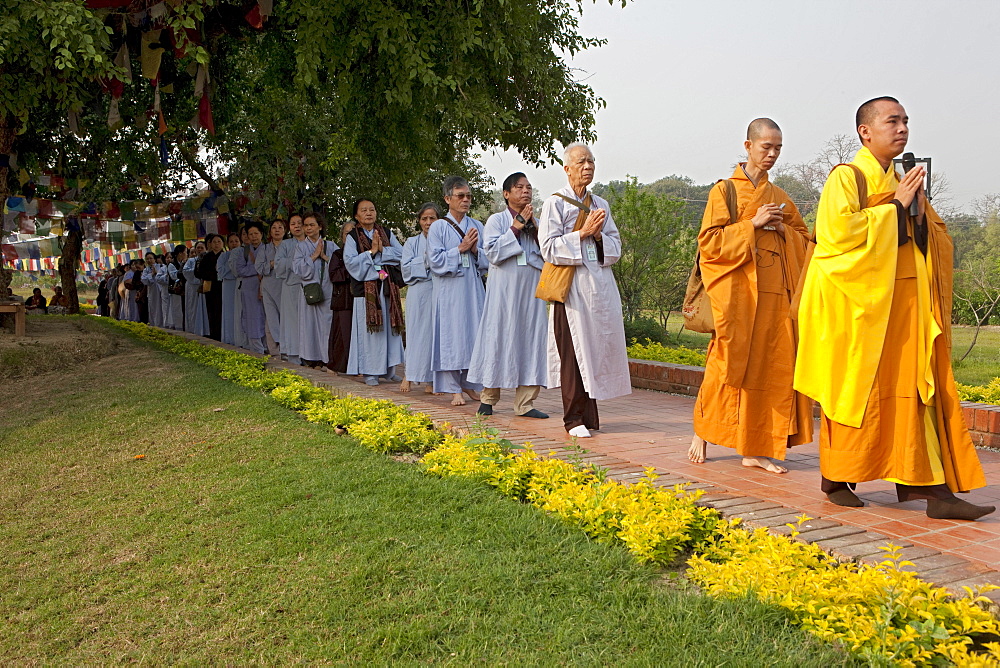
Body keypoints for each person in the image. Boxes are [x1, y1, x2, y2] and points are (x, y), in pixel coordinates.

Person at [794, 97, 992, 520]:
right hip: (858, 312)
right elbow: (836, 237)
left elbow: (932, 238)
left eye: (905, 121)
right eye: (892, 121)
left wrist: (917, 213)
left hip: (902, 306)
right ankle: (836, 478)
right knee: (857, 394)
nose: (902, 129)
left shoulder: (903, 179)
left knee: (913, 395)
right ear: (865, 131)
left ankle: (935, 493)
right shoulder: (846, 178)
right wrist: (896, 206)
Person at [687, 119, 814, 474]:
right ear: (748, 145)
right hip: (738, 296)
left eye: (778, 148)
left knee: (770, 370)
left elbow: (806, 241)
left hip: (774, 298)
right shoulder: (724, 191)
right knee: (725, 366)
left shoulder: (779, 196)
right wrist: (752, 225)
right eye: (766, 147)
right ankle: (704, 431)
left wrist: (780, 229)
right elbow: (709, 244)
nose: (772, 154)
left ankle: (754, 447)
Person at [538, 142, 631, 438]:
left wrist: (600, 235)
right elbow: (548, 248)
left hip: (599, 288)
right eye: (581, 162)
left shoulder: (601, 204)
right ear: (567, 169)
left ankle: (589, 415)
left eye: (591, 161)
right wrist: (583, 233)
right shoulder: (555, 203)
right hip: (571, 289)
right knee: (572, 353)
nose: (587, 167)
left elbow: (615, 247)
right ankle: (573, 418)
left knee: (592, 349)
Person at [468, 173, 549, 418]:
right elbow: (492, 252)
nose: (525, 191)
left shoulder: (538, 221)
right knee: (497, 337)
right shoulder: (496, 220)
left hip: (532, 290)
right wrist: (516, 227)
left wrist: (533, 229)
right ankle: (488, 399)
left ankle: (525, 404)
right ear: (506, 194)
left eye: (528, 187)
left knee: (531, 340)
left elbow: (546, 252)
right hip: (504, 291)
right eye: (519, 187)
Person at [428, 176, 487, 406]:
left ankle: (471, 383)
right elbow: (435, 261)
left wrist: (474, 252)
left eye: (468, 196)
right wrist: (460, 249)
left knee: (473, 334)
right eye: (460, 196)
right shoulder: (438, 227)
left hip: (472, 288)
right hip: (450, 290)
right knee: (451, 336)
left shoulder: (477, 225)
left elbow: (488, 259)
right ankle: (453, 388)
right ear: (447, 199)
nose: (465, 200)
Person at [343, 199, 405, 385]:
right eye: (364, 210)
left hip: (387, 288)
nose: (369, 213)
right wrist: (371, 252)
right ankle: (370, 372)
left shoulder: (385, 232)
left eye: (372, 209)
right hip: (367, 291)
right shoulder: (353, 237)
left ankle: (389, 370)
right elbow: (351, 263)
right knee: (370, 333)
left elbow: (401, 254)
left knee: (388, 329)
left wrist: (381, 251)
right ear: (356, 216)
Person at [399, 203, 440, 394]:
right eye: (424, 219)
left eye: (432, 218)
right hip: (417, 291)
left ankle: (431, 380)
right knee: (415, 334)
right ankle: (410, 374)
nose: (428, 222)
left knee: (434, 334)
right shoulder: (411, 242)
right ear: (419, 221)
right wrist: (426, 260)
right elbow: (405, 270)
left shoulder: (443, 240)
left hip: (437, 290)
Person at [293, 212, 337, 369]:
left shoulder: (331, 245)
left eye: (312, 225)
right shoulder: (300, 247)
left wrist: (324, 257)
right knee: (309, 325)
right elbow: (297, 269)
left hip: (328, 290)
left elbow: (341, 266)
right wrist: (313, 256)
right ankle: (312, 359)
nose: (308, 228)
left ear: (320, 226)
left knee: (327, 325)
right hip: (309, 290)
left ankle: (328, 359)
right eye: (306, 225)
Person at [235, 222, 268, 354]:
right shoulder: (245, 251)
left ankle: (268, 347)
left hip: (266, 288)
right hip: (249, 290)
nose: (254, 237)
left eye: (256, 233)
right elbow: (240, 270)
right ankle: (256, 348)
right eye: (251, 234)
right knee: (252, 317)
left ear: (262, 234)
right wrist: (259, 268)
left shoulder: (267, 249)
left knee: (267, 317)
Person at [327, 218, 355, 373]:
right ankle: (339, 365)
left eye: (353, 233)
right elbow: (334, 275)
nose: (349, 236)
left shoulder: (365, 252)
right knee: (343, 334)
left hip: (361, 299)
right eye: (347, 233)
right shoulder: (338, 254)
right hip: (343, 299)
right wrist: (351, 266)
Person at [276, 214, 304, 364]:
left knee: (307, 320)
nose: (297, 226)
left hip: (308, 287)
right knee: (292, 321)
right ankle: (293, 353)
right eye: (293, 224)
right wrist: (296, 260)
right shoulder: (285, 245)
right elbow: (278, 264)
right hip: (290, 286)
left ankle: (309, 353)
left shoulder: (311, 242)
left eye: (300, 223)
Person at [256, 219, 286, 357]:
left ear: (285, 231)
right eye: (274, 227)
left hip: (285, 284)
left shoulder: (290, 245)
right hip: (268, 285)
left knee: (286, 316)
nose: (277, 230)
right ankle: (275, 349)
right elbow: (259, 267)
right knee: (271, 318)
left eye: (280, 227)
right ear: (270, 232)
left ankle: (286, 346)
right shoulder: (264, 248)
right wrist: (273, 263)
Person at [197, 234, 224, 341]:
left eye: (219, 242)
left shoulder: (225, 255)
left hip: (222, 287)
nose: (216, 244)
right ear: (210, 244)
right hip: (210, 288)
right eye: (214, 242)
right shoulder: (206, 257)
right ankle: (213, 332)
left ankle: (221, 333)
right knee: (211, 310)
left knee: (221, 311)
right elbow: (201, 272)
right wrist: (214, 274)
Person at [182, 241, 210, 336]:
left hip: (205, 286)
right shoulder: (191, 261)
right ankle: (193, 328)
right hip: (193, 288)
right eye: (198, 248)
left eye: (202, 248)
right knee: (193, 308)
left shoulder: (208, 259)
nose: (199, 250)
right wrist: (197, 274)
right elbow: (185, 272)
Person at [217, 233, 240, 345]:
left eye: (236, 241)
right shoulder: (223, 256)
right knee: (229, 312)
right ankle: (229, 338)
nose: (234, 243)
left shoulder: (244, 254)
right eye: (231, 241)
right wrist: (231, 261)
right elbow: (220, 272)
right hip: (228, 286)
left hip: (240, 284)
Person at [166, 245, 187, 331]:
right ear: (180, 253)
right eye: (185, 252)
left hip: (185, 290)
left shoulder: (185, 262)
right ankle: (178, 327)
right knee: (177, 310)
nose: (186, 254)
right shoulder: (172, 264)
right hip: (176, 291)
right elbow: (174, 276)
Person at [142, 252, 163, 327]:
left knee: (161, 307)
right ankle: (154, 324)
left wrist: (156, 273)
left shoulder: (160, 267)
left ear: (155, 259)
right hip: (152, 291)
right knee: (153, 307)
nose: (149, 260)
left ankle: (162, 324)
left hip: (160, 289)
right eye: (147, 259)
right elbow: (144, 280)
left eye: (151, 258)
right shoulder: (146, 270)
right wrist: (151, 274)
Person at [155, 252, 174, 329]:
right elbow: (158, 278)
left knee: (173, 308)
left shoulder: (175, 267)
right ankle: (166, 324)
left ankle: (173, 324)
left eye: (170, 257)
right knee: (165, 308)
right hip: (165, 290)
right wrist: (166, 276)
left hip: (173, 291)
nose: (169, 259)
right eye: (167, 258)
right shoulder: (163, 269)